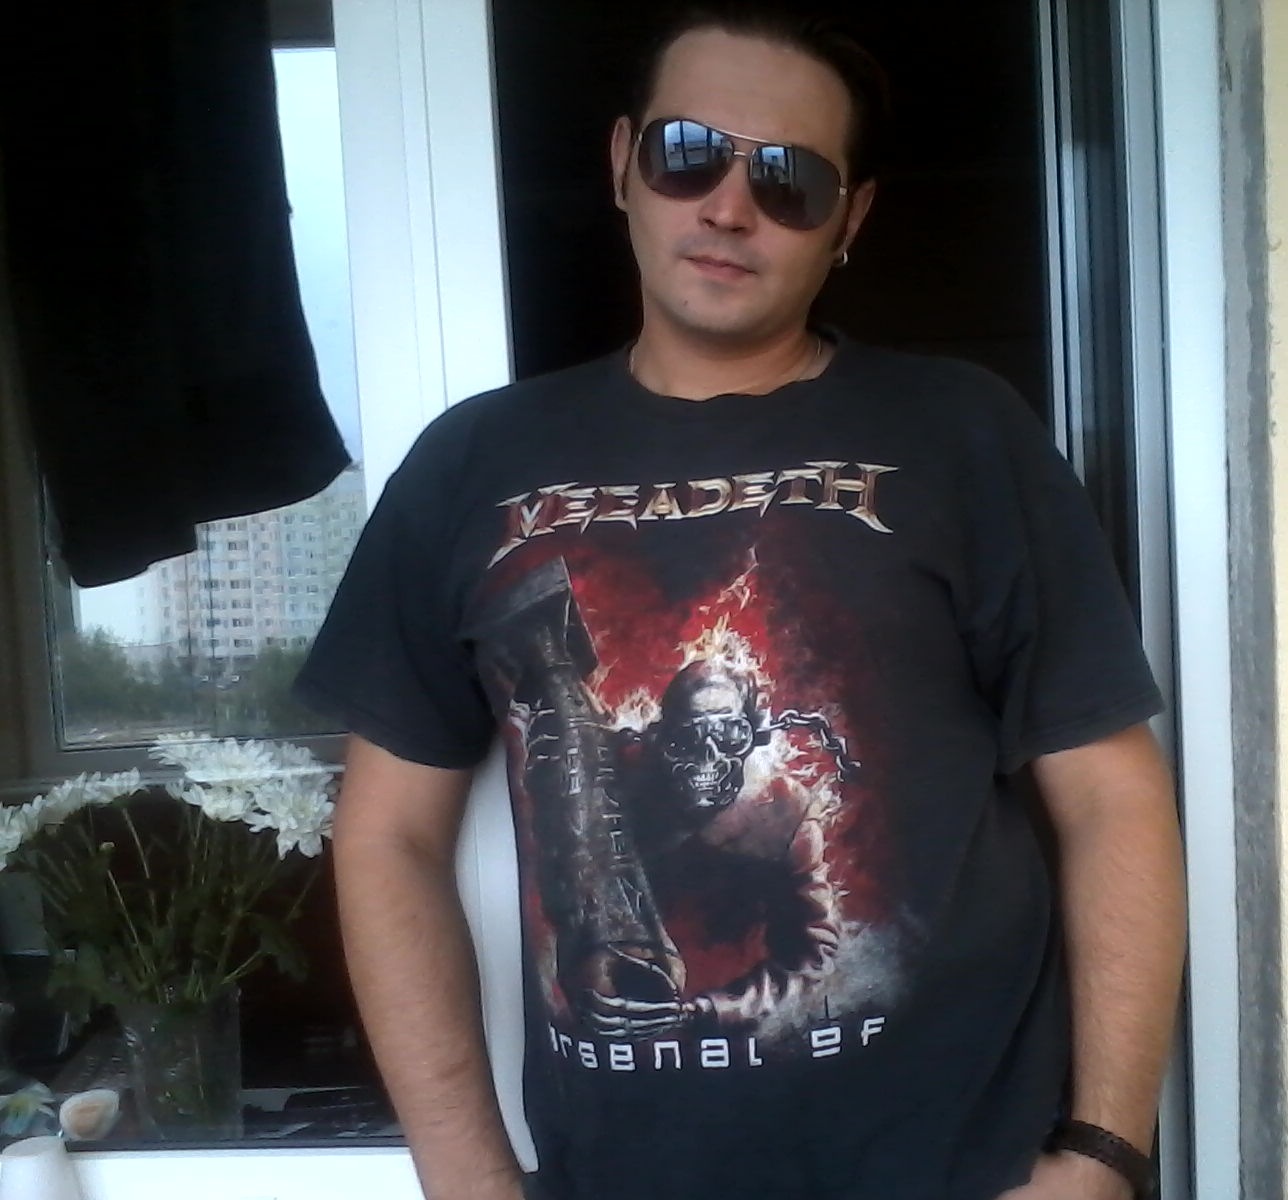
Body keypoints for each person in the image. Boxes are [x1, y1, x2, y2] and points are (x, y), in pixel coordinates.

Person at [294, 5, 1187, 1199]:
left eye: (789, 181)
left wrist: (1103, 1151)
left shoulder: (962, 434)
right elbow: (389, 837)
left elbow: (1110, 796)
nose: (728, 206)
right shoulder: (474, 462)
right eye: (688, 155)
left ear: (848, 221)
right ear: (623, 163)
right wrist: (468, 1177)